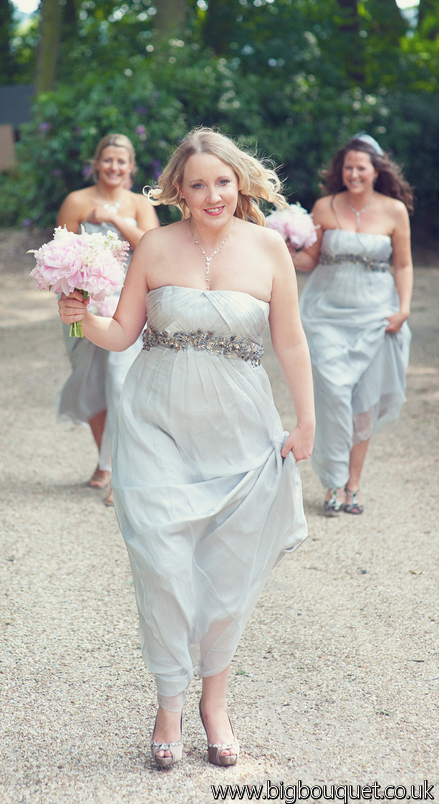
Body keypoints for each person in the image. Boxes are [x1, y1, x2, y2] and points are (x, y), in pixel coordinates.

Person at [58, 128, 314, 768]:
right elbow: (119, 335)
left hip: (240, 431)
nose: (211, 195)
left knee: (226, 575)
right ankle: (169, 703)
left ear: (239, 182)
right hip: (155, 426)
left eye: (222, 182)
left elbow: (291, 344)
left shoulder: (269, 250)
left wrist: (305, 421)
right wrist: (77, 314)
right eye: (197, 184)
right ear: (176, 189)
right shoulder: (153, 247)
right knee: (162, 565)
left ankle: (214, 705)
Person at [290, 134, 413, 516]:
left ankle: (352, 486)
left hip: (376, 318)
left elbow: (404, 264)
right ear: (340, 172)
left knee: (362, 404)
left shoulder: (394, 211)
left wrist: (404, 308)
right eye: (348, 167)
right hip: (326, 315)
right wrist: (286, 245)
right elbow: (309, 261)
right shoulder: (324, 206)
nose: (354, 173)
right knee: (333, 397)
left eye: (361, 167)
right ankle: (330, 482)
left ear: (376, 170)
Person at [55, 134, 160, 502]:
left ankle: (118, 470)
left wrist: (114, 218)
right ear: (96, 163)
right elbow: (59, 255)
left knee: (119, 384)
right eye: (108, 160)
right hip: (81, 305)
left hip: (125, 303)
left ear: (131, 168)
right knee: (90, 381)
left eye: (122, 162)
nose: (114, 167)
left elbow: (152, 245)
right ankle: (105, 461)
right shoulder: (77, 202)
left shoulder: (138, 203)